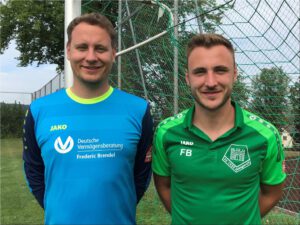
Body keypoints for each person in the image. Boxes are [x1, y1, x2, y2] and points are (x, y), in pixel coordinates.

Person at [23, 13, 153, 225]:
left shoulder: (138, 110)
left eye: (100, 48)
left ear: (113, 53)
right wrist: (61, 210)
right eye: (82, 47)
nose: (91, 57)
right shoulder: (39, 111)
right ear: (68, 51)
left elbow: (141, 175)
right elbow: (33, 171)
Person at [152, 33, 286, 224]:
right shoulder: (165, 132)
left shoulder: (266, 134)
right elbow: (164, 186)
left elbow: (272, 193)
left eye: (220, 70)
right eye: (200, 72)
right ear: (188, 78)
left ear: (235, 74)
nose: (211, 82)